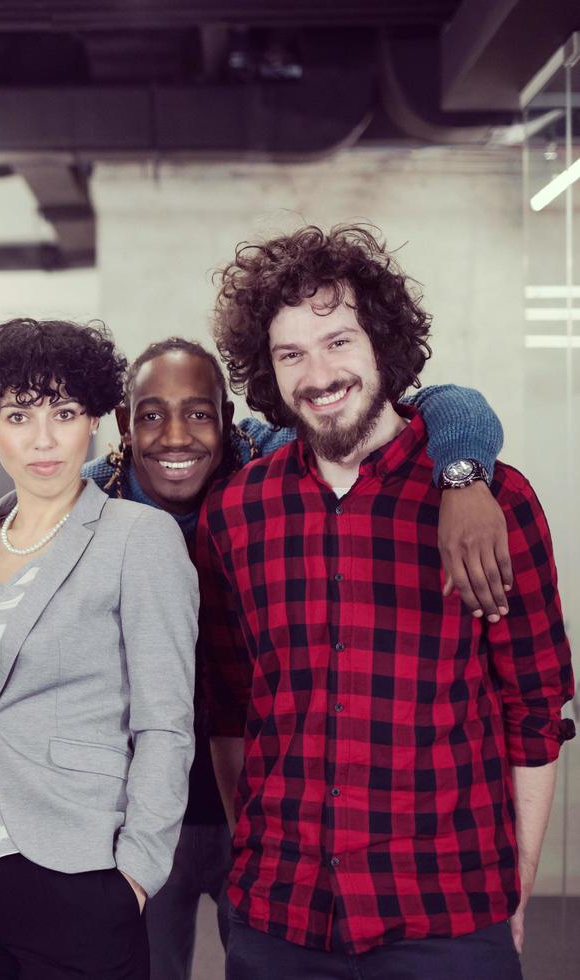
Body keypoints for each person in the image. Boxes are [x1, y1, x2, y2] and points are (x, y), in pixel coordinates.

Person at [198, 224, 575, 977]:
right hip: (278, 918)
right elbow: (231, 708)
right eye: (290, 353)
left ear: (382, 348)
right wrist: (257, 851)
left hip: (446, 913)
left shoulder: (494, 500)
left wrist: (515, 889)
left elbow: (533, 712)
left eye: (338, 341)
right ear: (268, 374)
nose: (318, 371)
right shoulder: (235, 513)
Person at [88, 337, 508, 980]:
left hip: (268, 811)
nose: (176, 435)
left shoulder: (269, 462)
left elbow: (446, 402)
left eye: (199, 413)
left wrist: (462, 475)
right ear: (124, 425)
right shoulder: (94, 505)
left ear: (230, 423)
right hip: (136, 811)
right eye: (151, 414)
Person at [0, 318, 199, 979]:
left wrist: (136, 874)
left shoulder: (137, 537)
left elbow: (164, 722)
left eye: (63, 411)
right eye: (19, 414)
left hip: (75, 873)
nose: (43, 437)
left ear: (92, 420)